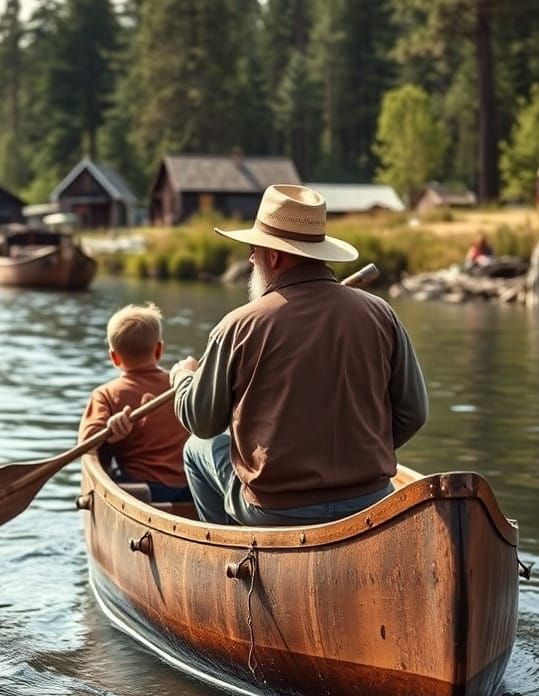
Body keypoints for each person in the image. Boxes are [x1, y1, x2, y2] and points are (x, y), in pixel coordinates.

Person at [168, 184, 429, 526]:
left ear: (273, 257)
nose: (250, 259)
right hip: (370, 503)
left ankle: (229, 555)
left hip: (275, 510)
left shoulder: (239, 326)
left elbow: (202, 422)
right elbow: (414, 412)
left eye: (253, 250)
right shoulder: (381, 314)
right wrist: (364, 456)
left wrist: (183, 378)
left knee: (196, 449)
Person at [79, 303, 192, 503]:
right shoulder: (181, 385)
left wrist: (108, 438)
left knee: (109, 475)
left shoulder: (104, 395)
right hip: (190, 491)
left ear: (113, 357)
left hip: (142, 491)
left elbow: (88, 449)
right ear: (159, 349)